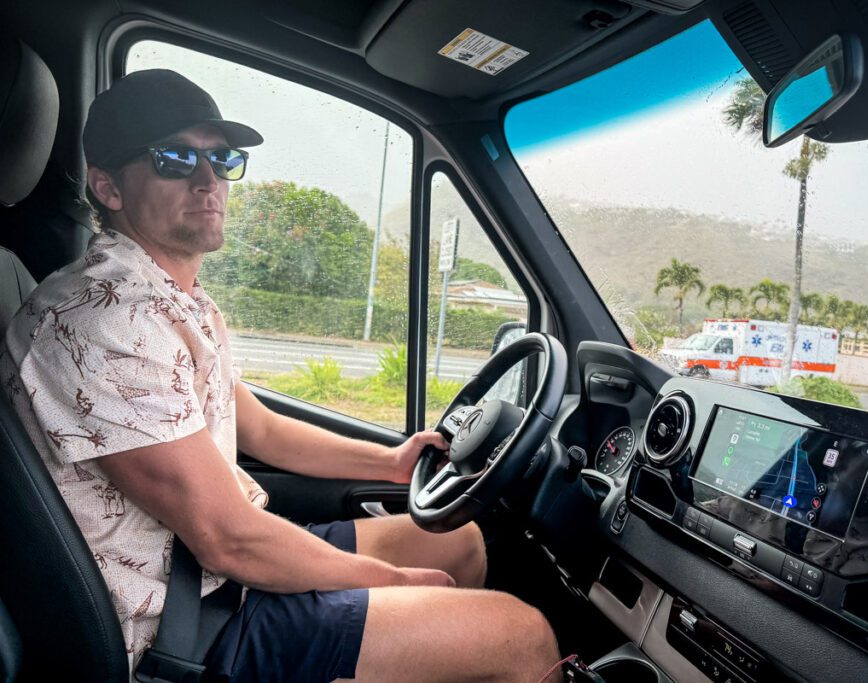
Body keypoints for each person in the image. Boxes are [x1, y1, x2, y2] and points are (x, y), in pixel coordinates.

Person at [0, 69, 560, 683]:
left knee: (459, 542)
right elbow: (228, 539)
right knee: (520, 637)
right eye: (175, 158)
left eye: (222, 158)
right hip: (180, 621)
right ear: (108, 186)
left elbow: (259, 428)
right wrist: (392, 584)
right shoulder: (105, 318)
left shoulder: (169, 299)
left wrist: (391, 462)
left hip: (207, 569)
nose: (208, 179)